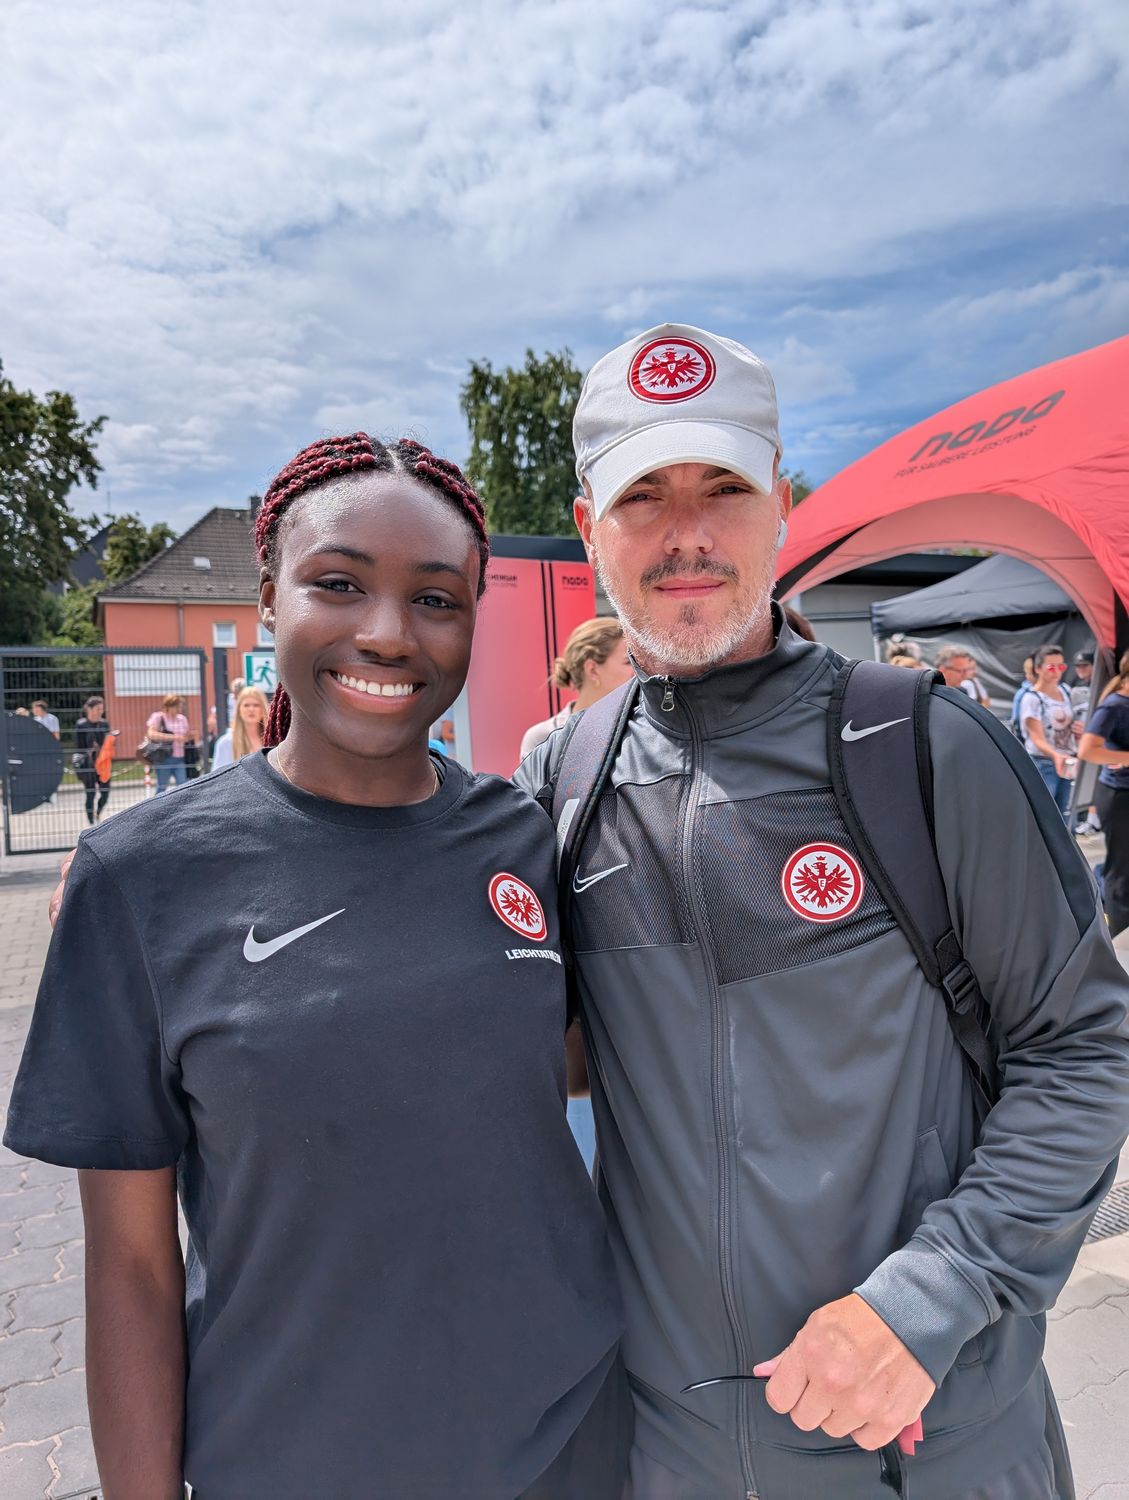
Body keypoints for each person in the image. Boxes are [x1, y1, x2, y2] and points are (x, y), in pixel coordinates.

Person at [516, 322, 1129, 1499]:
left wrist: (931, 1298)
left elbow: (1083, 1049)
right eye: (642, 496)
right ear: (590, 529)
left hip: (935, 1448)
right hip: (668, 1458)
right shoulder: (565, 780)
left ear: (781, 508)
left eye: (722, 487)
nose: (687, 532)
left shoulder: (925, 747)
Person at [10, 433, 628, 1500]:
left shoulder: (523, 837)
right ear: (267, 599)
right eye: (337, 583)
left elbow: (558, 1071)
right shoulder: (139, 877)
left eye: (435, 599)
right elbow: (131, 1269)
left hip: (568, 1442)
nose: (387, 632)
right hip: (293, 1460)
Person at [519, 617, 634, 761]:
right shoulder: (543, 738)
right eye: (628, 661)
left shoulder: (641, 729)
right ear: (592, 670)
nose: (637, 670)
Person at [1078, 650, 1129, 937]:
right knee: (1121, 871)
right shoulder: (1114, 706)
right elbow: (1087, 750)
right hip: (1119, 796)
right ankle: (1116, 935)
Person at [1019, 644, 1079, 819]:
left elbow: (1076, 721)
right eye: (1052, 667)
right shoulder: (1032, 698)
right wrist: (1056, 756)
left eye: (1061, 667)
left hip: (1067, 760)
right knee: (1046, 814)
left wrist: (1080, 730)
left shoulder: (1065, 690)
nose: (1057, 672)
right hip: (1044, 762)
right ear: (1038, 669)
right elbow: (1036, 738)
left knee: (1066, 814)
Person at [74, 696, 116, 825]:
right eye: (98, 709)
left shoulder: (104, 724)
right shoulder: (81, 725)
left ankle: (98, 811)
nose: (100, 712)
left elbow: (108, 743)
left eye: (102, 709)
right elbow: (79, 747)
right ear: (90, 709)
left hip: (103, 764)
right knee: (90, 793)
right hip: (88, 765)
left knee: (105, 793)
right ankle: (91, 821)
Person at [211, 684, 269, 769]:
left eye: (256, 705)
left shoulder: (273, 740)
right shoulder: (226, 742)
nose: (251, 709)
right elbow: (219, 774)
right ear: (239, 710)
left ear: (263, 709)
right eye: (246, 705)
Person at [145, 693, 192, 793]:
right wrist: (173, 737)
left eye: (180, 706)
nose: (179, 709)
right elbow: (151, 734)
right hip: (163, 758)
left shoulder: (182, 719)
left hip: (179, 757)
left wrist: (188, 737)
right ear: (168, 706)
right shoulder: (158, 717)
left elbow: (186, 736)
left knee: (183, 785)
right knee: (162, 787)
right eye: (176, 706)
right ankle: (158, 803)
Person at [1070, 650, 1095, 716]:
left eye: (1085, 665)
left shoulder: (1100, 685)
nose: (1081, 668)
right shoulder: (1077, 686)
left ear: (1094, 666)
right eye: (1078, 666)